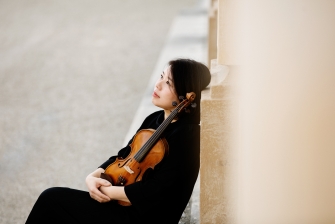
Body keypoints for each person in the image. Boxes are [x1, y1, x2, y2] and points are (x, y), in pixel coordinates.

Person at [25, 58, 211, 224]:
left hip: (144, 217)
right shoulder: (155, 118)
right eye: (161, 76)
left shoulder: (188, 135)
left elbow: (156, 191)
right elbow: (124, 155)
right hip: (124, 206)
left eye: (168, 83)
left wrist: (106, 192)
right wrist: (93, 177)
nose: (158, 85)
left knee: (51, 200)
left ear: (185, 96)